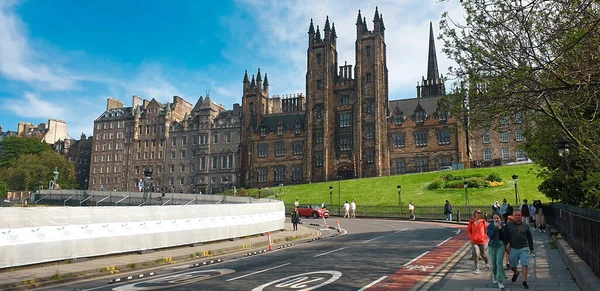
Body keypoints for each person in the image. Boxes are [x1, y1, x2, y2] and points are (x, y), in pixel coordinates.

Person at [504, 211, 535, 289]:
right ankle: (516, 272)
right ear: (513, 216)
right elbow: (506, 236)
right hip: (513, 248)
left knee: (524, 264)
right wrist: (506, 244)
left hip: (523, 247)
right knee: (512, 266)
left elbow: (529, 237)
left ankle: (524, 281)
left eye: (519, 215)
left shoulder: (525, 226)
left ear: (521, 216)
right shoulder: (508, 225)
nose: (518, 216)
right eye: (516, 215)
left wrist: (531, 248)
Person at [487, 213, 508, 289]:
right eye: (494, 218)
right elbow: (490, 235)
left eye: (497, 218)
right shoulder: (490, 226)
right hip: (492, 245)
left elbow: (504, 236)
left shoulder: (504, 226)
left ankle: (500, 280)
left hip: (500, 245)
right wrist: (495, 228)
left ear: (500, 218)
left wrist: (500, 228)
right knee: (493, 263)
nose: (496, 219)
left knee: (499, 262)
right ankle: (494, 274)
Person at [467, 209, 490, 274]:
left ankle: (487, 263)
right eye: (479, 212)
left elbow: (487, 230)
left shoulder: (483, 221)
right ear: (475, 214)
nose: (480, 213)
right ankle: (477, 269)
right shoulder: (471, 221)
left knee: (483, 254)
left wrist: (485, 236)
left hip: (483, 240)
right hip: (474, 240)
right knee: (476, 253)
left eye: (481, 213)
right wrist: (471, 236)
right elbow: (468, 230)